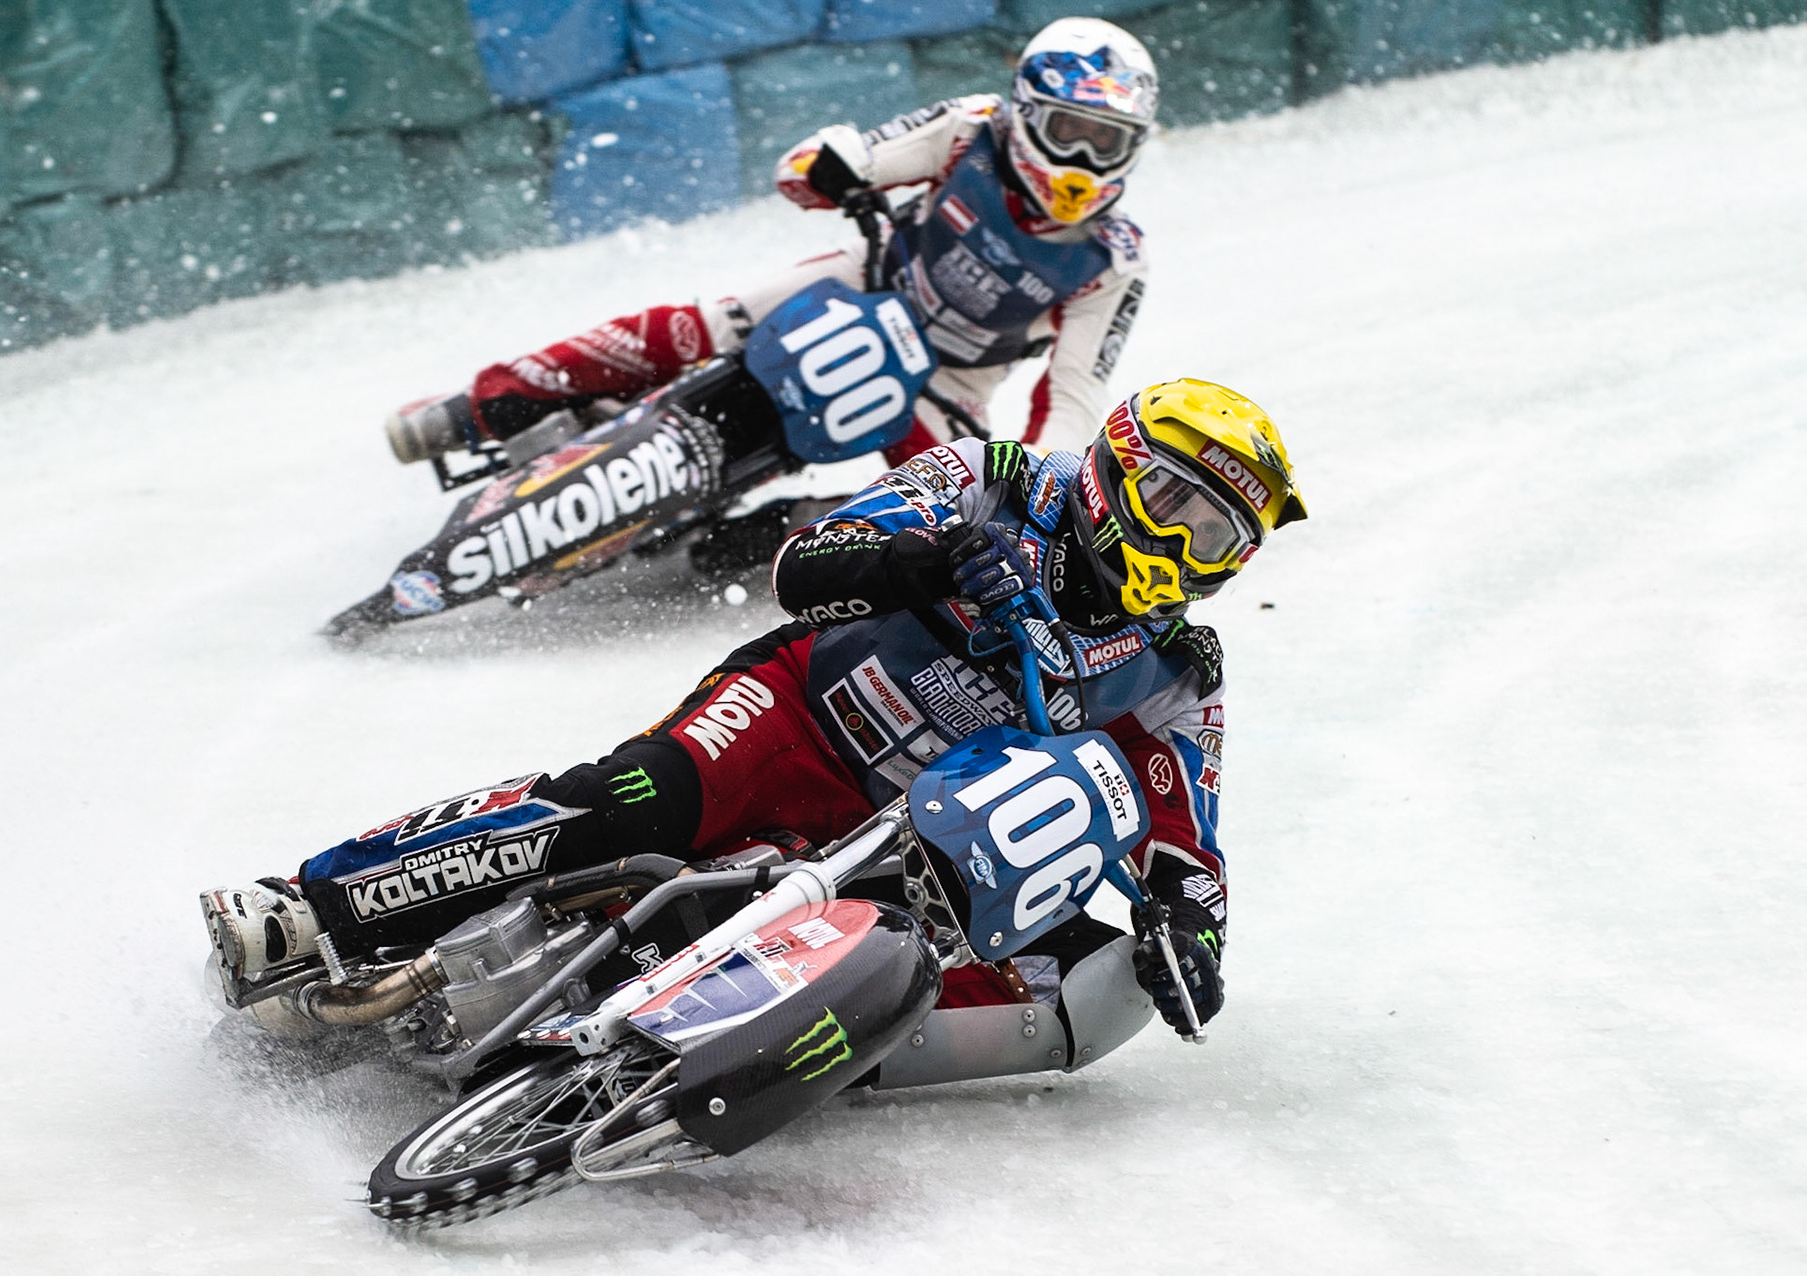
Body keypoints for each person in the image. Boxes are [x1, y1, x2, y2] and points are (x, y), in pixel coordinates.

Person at [204, 379, 1308, 1048]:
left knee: (980, 965)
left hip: (914, 829)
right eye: (1171, 501)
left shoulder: (1178, 667)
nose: (1179, 545)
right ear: (1117, 467)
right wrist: (913, 560)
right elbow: (800, 567)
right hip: (793, 712)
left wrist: (1189, 933)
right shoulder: (998, 476)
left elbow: (1186, 843)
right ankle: (312, 904)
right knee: (626, 806)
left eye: (1215, 536)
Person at [383, 18, 1158, 486]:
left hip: (948, 380)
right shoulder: (973, 126)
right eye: (1070, 134)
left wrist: (1028, 485)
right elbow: (835, 160)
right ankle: (480, 405)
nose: (1083, 164)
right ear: (1027, 114)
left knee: (956, 514)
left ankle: (796, 528)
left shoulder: (1112, 258)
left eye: (1108, 143)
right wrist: (830, 162)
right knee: (702, 323)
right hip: (867, 282)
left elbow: (1074, 402)